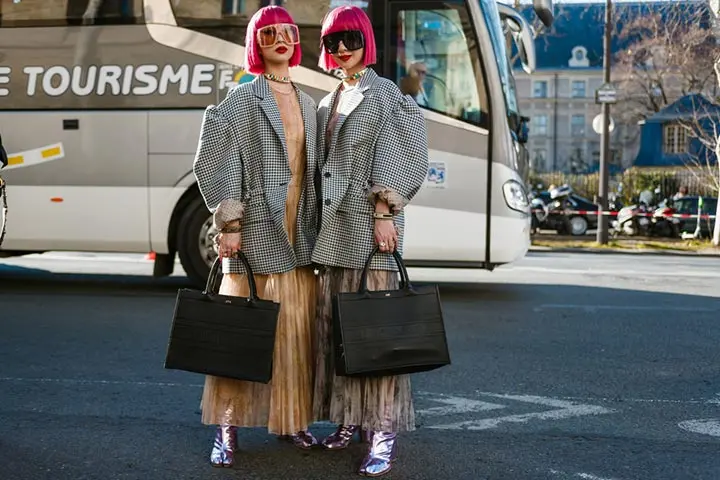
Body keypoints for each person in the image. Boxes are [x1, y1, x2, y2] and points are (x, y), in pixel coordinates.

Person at [192, 5, 320, 468]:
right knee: (240, 337)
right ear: (256, 45)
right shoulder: (243, 98)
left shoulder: (309, 101)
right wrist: (228, 223)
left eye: (287, 33)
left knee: (293, 337)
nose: (281, 41)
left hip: (298, 238)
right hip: (255, 234)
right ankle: (227, 429)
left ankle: (290, 421)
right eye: (269, 35)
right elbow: (211, 158)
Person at [312, 5, 429, 477]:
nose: (343, 48)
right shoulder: (329, 99)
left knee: (376, 336)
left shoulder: (385, 95)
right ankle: (347, 421)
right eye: (334, 40)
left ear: (367, 41)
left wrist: (385, 210)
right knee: (339, 333)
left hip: (368, 228)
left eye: (351, 38)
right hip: (333, 233)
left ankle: (382, 432)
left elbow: (406, 155)